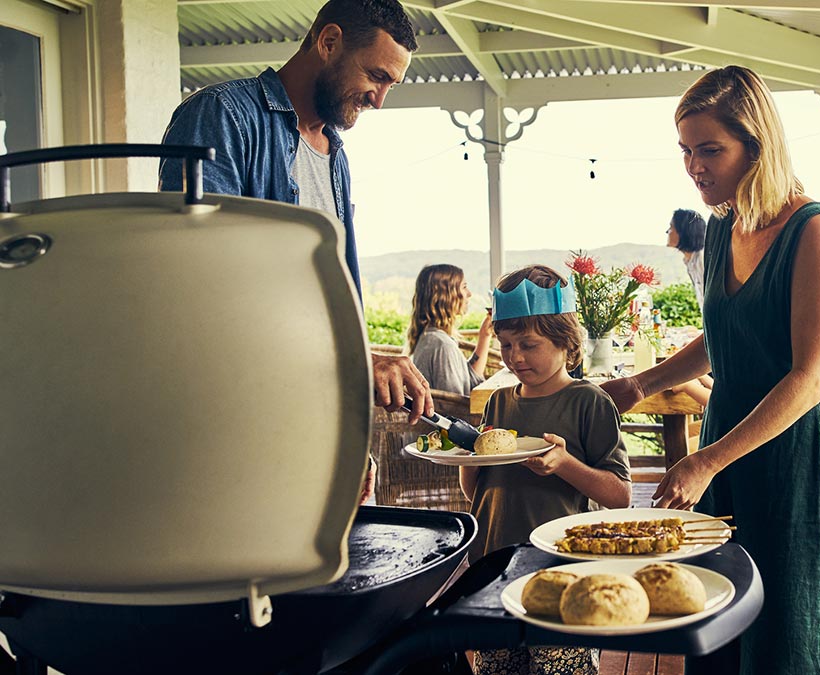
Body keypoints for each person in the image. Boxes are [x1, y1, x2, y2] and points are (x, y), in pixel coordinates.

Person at [601, 65, 820, 675]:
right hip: (727, 453)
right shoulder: (724, 226)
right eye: (686, 151)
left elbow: (813, 375)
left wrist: (704, 458)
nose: (695, 165)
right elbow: (725, 335)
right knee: (718, 631)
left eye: (710, 149)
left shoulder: (816, 232)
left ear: (758, 144)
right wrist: (641, 384)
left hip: (798, 463)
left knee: (794, 640)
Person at [157, 0, 436, 424]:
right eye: (376, 76)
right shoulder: (222, 116)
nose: (379, 100)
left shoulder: (335, 157)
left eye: (390, 85)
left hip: (314, 413)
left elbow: (334, 299)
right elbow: (201, 282)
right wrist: (359, 362)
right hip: (236, 414)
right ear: (328, 42)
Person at [461, 264, 632, 675]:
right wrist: (467, 457)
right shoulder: (498, 403)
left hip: (560, 571)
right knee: (496, 667)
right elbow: (475, 491)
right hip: (493, 565)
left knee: (560, 667)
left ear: (565, 341)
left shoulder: (588, 402)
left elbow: (619, 496)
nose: (514, 357)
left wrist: (565, 464)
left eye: (528, 344)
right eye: (504, 345)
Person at [407, 264, 494, 396]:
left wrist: (484, 336)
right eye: (464, 287)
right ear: (446, 295)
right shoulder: (442, 345)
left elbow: (469, 381)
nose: (469, 294)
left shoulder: (433, 338)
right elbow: (454, 407)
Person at [667, 207, 708, 308]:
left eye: (671, 227)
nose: (667, 231)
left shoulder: (703, 260)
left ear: (683, 231)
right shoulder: (690, 261)